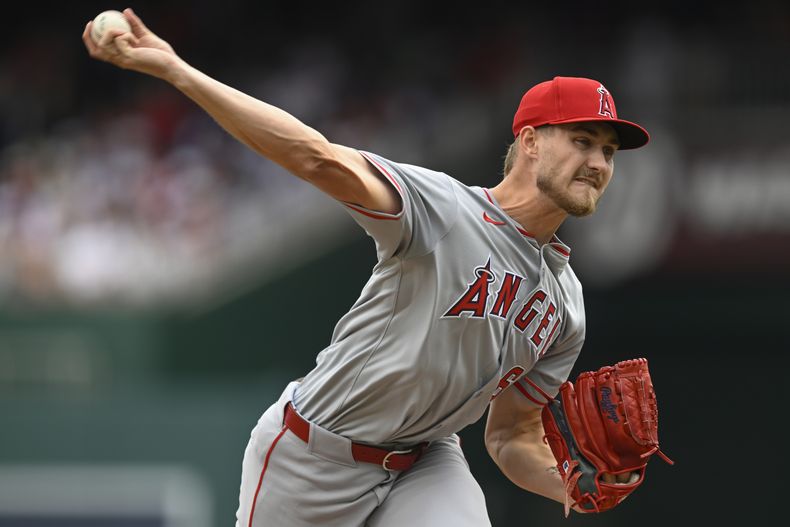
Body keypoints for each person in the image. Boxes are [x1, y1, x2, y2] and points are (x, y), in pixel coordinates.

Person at [83, 8, 650, 526]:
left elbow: (511, 435)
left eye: (608, 151)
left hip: (427, 462)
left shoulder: (565, 305)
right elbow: (314, 156)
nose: (598, 163)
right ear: (530, 141)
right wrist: (179, 71)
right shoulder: (444, 210)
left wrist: (570, 483)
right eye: (583, 140)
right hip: (312, 455)